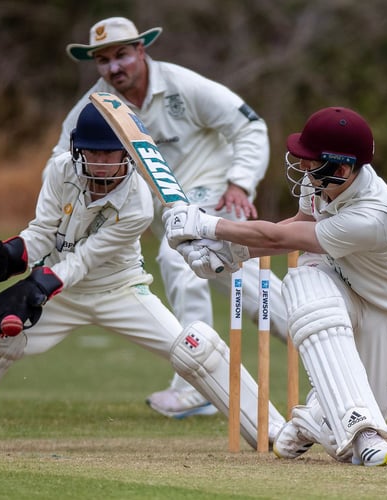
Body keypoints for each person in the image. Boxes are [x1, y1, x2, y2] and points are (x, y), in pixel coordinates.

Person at [0, 103, 286, 450]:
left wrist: (38, 286)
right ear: (78, 148)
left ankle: (272, 431)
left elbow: (84, 260)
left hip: (120, 290)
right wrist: (11, 255)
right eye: (92, 151)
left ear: (127, 153)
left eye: (109, 153)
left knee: (194, 348)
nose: (100, 162)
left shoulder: (139, 204)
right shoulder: (61, 170)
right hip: (63, 294)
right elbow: (43, 231)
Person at [52, 16, 288, 419]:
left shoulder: (182, 85)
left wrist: (240, 183)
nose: (114, 67)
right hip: (167, 216)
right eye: (103, 60)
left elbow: (249, 126)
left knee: (180, 254)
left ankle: (197, 385)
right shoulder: (96, 107)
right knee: (253, 288)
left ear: (141, 50)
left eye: (122, 55)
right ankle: (353, 357)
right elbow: (59, 164)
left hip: (213, 194)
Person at [163, 107, 387, 466]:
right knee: (304, 281)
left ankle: (312, 420)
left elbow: (282, 236)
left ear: (342, 169)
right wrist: (227, 255)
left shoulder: (375, 217)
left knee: (339, 445)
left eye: (310, 159)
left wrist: (209, 226)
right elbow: (295, 227)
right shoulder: (321, 181)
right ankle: (364, 433)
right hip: (338, 282)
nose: (302, 165)